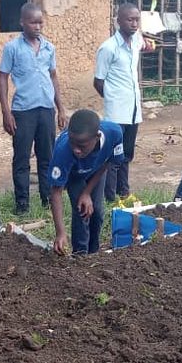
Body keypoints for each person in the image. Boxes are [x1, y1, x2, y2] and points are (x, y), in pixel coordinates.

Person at [0, 2, 67, 214]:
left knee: (47, 157)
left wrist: (61, 108)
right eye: (33, 22)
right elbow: (2, 79)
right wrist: (6, 112)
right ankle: (22, 203)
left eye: (40, 22)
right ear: (22, 23)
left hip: (46, 109)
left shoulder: (49, 48)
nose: (37, 26)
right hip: (23, 111)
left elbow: (53, 77)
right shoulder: (12, 48)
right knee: (21, 158)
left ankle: (48, 199)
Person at [94, 3, 152, 206]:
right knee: (112, 158)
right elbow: (98, 82)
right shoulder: (108, 48)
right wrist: (113, 98)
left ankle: (124, 193)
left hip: (134, 110)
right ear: (118, 21)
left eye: (137, 19)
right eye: (130, 19)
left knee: (127, 154)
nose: (134, 23)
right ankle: (110, 199)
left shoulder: (136, 42)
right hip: (117, 112)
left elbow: (145, 44)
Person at [48, 109, 125, 256]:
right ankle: (80, 254)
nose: (76, 150)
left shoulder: (114, 133)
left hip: (96, 170)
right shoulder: (63, 150)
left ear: (96, 137)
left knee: (97, 212)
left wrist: (87, 192)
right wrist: (60, 233)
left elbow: (109, 162)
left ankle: (93, 254)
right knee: (82, 211)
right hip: (74, 175)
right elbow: (56, 191)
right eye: (72, 142)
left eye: (82, 145)